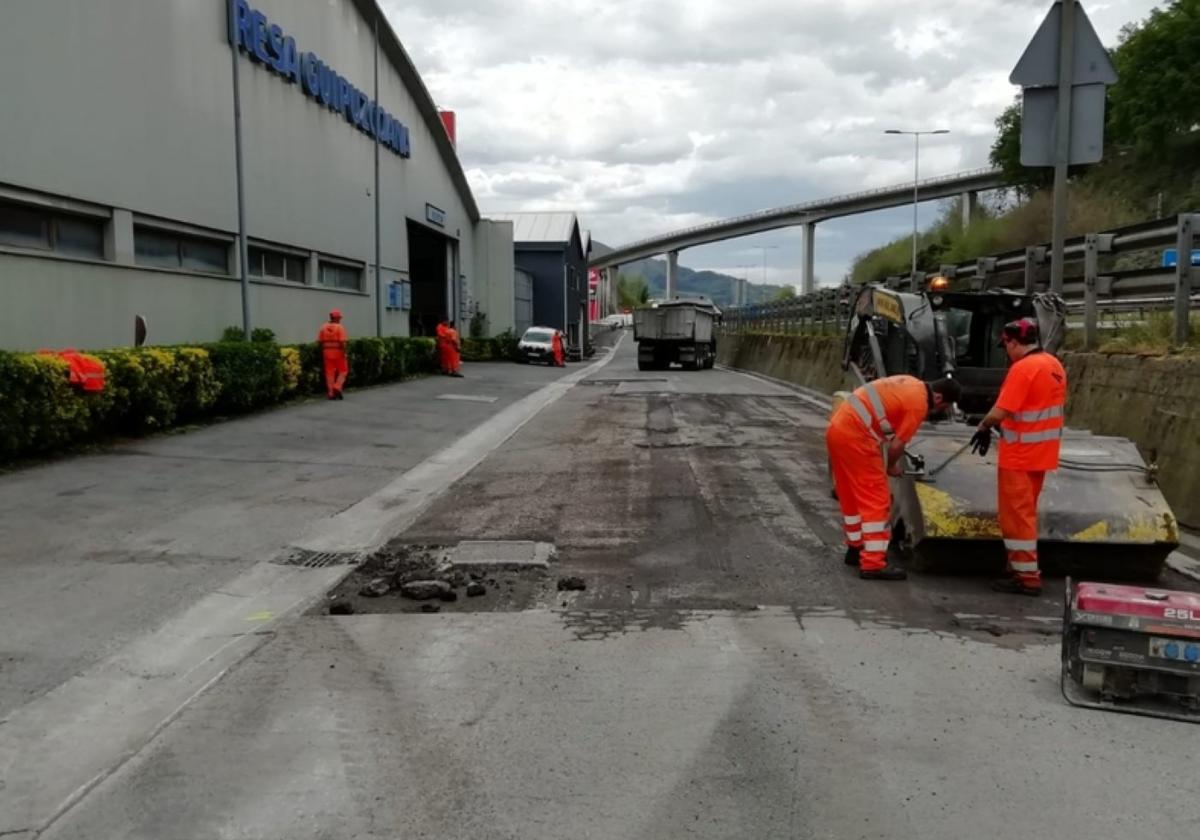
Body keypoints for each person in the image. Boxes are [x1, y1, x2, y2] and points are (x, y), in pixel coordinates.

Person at [827, 375, 962, 581]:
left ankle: (856, 549)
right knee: (877, 500)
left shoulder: (911, 383)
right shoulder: (919, 405)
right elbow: (897, 445)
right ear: (937, 396)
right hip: (858, 438)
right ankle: (873, 563)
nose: (938, 411)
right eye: (943, 406)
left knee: (851, 496)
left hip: (838, 430)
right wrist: (891, 466)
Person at [970, 317, 1066, 596]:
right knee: (1026, 513)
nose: (1006, 352)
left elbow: (1002, 410)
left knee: (1016, 518)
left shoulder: (1022, 369)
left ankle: (1026, 578)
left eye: (1006, 346)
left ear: (1013, 342)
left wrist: (984, 426)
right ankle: (1017, 568)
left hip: (1019, 456)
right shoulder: (1053, 365)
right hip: (1042, 455)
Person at [317, 309, 349, 400]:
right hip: (338, 353)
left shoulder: (323, 327)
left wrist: (322, 352)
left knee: (329, 373)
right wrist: (345, 353)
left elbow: (319, 342)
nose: (340, 319)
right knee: (343, 371)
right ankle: (337, 387)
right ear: (337, 318)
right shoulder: (340, 327)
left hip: (327, 354)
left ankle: (331, 393)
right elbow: (343, 342)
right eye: (339, 318)